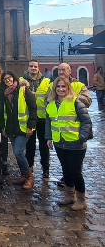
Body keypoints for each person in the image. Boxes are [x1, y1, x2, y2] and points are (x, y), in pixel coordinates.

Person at [45, 77, 92, 210]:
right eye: (58, 87)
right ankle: (70, 195)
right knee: (66, 171)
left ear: (68, 88)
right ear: (54, 89)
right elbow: (49, 122)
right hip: (60, 142)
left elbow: (86, 121)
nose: (60, 89)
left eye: (63, 87)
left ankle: (82, 199)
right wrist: (49, 137)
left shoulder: (76, 102)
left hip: (75, 143)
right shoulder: (51, 104)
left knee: (75, 172)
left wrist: (82, 136)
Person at [0, 72, 37, 190]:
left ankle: (30, 177)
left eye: (9, 77)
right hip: (11, 128)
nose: (8, 80)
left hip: (22, 127)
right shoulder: (5, 93)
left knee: (18, 152)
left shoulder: (23, 90)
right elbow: (5, 113)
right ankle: (24, 176)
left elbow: (33, 108)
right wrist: (4, 128)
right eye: (5, 79)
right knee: (18, 154)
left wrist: (30, 126)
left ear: (14, 77)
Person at [22, 59, 51, 179]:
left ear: (38, 68)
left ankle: (45, 168)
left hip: (42, 118)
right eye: (31, 66)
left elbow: (50, 98)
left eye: (35, 66)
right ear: (28, 68)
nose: (33, 68)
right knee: (30, 145)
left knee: (44, 146)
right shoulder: (21, 81)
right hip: (29, 118)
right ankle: (29, 168)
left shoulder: (47, 81)